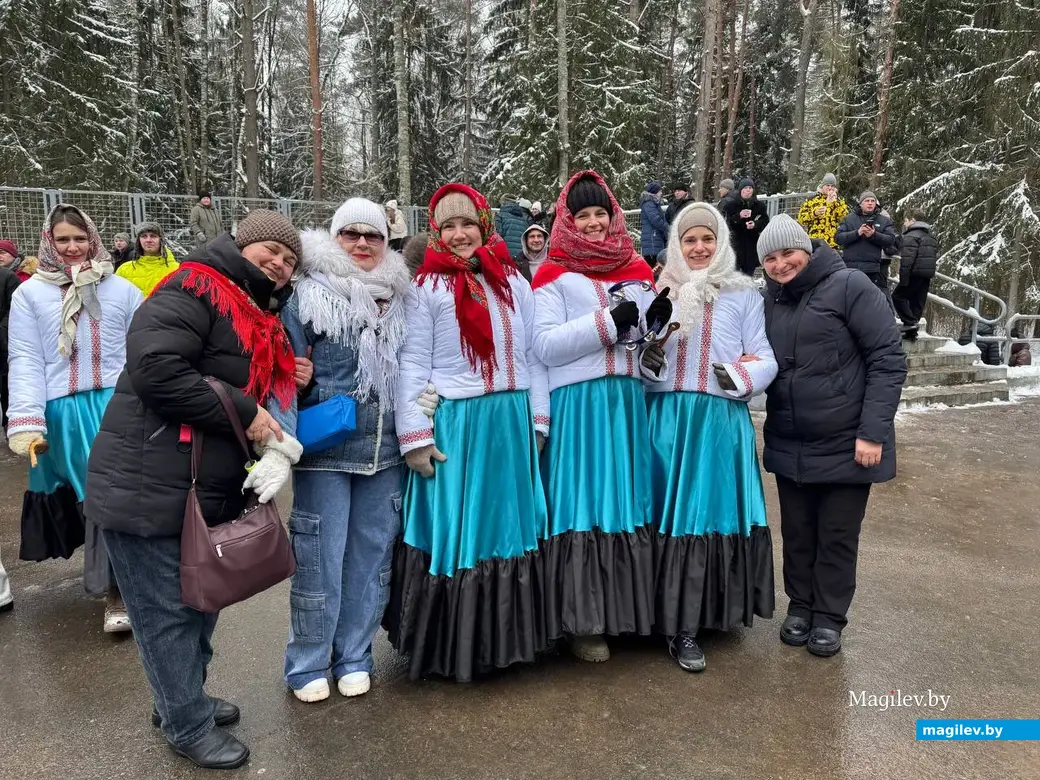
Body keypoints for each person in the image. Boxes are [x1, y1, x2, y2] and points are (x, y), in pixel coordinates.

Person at [85, 209, 301, 770]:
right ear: (240, 245)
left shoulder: (251, 309)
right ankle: (185, 723)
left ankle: (181, 700)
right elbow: (156, 368)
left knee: (199, 603)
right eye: (269, 251)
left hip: (191, 486)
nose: (278, 263)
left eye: (289, 258)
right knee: (167, 616)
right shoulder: (196, 287)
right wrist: (246, 412)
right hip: (147, 482)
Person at [385, 183, 551, 682]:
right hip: (461, 424)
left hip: (509, 421)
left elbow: (531, 357)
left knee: (506, 528)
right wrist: (413, 433)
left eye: (468, 224)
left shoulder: (513, 284)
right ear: (436, 232)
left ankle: (505, 641)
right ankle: (453, 647)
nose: (460, 235)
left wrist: (537, 419)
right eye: (449, 226)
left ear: (485, 227)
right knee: (461, 529)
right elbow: (411, 362)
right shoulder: (428, 288)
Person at [265, 199, 413, 703]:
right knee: (319, 559)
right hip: (326, 450)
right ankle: (307, 660)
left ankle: (354, 655)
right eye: (351, 234)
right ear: (334, 237)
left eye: (371, 235)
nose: (362, 243)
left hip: (387, 452)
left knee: (371, 561)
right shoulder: (307, 296)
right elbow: (279, 372)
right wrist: (296, 397)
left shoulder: (401, 295)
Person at [532, 170, 671, 662]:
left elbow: (653, 346)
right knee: (583, 503)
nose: (592, 223)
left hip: (627, 401)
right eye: (582, 215)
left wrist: (656, 333)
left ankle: (625, 611)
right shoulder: (552, 273)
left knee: (625, 501)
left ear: (614, 216)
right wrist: (606, 323)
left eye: (600, 213)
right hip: (580, 402)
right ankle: (581, 621)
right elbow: (543, 345)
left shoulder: (636, 269)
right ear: (567, 222)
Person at [758, 215, 906, 658]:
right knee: (799, 533)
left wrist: (872, 433)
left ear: (807, 249)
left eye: (788, 254)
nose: (781, 264)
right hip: (790, 439)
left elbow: (887, 360)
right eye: (771, 258)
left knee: (837, 535)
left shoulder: (851, 287)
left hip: (848, 441)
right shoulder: (768, 301)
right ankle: (800, 606)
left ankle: (829, 616)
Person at [647, 202, 776, 672]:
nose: (699, 248)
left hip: (719, 423)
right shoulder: (659, 290)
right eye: (689, 240)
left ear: (720, 242)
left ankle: (703, 614)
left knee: (707, 515)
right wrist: (649, 365)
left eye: (707, 239)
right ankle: (668, 620)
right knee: (670, 518)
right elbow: (642, 353)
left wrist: (740, 376)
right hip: (668, 423)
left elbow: (763, 355)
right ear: (676, 246)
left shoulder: (742, 294)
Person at [7, 205, 143, 633]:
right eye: (63, 239)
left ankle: (122, 587)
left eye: (79, 238)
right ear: (49, 241)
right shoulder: (29, 295)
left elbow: (143, 352)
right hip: (65, 409)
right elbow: (25, 358)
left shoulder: (121, 290)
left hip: (118, 404)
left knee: (117, 495)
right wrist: (26, 419)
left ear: (94, 239)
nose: (72, 247)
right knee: (96, 495)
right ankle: (116, 589)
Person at [835, 191, 897, 296]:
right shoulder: (849, 219)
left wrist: (874, 235)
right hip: (850, 267)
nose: (870, 203)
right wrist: (857, 233)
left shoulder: (884, 220)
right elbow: (838, 238)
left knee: (869, 299)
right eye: (867, 201)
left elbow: (890, 240)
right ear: (861, 203)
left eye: (873, 201)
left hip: (872, 269)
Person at [892, 209, 938, 340]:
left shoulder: (911, 235)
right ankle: (911, 330)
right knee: (917, 300)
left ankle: (910, 323)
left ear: (913, 221)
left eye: (906, 220)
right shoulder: (929, 236)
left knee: (898, 296)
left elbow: (907, 258)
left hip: (914, 273)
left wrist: (904, 278)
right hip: (926, 274)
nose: (904, 224)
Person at [720, 178, 769, 276]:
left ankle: (748, 289)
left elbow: (765, 220)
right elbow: (727, 223)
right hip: (736, 243)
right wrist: (739, 216)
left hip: (752, 242)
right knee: (735, 272)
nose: (748, 190)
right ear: (740, 190)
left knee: (749, 273)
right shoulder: (731, 205)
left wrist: (755, 224)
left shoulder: (759, 205)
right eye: (746, 188)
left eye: (750, 188)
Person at [117, 221, 179, 296]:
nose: (148, 240)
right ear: (138, 241)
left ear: (161, 240)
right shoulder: (124, 270)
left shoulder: (177, 269)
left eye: (153, 236)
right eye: (144, 236)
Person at [796, 173, 849, 250]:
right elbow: (801, 219)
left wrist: (836, 203)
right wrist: (814, 213)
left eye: (832, 186)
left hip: (833, 243)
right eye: (828, 185)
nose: (830, 188)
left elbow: (844, 218)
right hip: (815, 242)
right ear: (822, 186)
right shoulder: (812, 199)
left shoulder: (839, 201)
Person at [1, 265, 19, 429]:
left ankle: (9, 424)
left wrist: (2, 330)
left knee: (7, 385)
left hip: (3, 343)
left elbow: (14, 309)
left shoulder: (8, 277)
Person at [639, 181, 669, 268]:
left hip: (655, 237)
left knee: (655, 264)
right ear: (655, 192)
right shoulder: (649, 203)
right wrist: (666, 227)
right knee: (653, 264)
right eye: (660, 191)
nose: (661, 193)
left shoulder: (652, 203)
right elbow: (655, 219)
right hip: (652, 238)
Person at [494, 194, 531, 260]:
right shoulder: (523, 218)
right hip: (522, 257)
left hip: (506, 257)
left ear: (503, 202)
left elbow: (497, 236)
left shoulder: (500, 216)